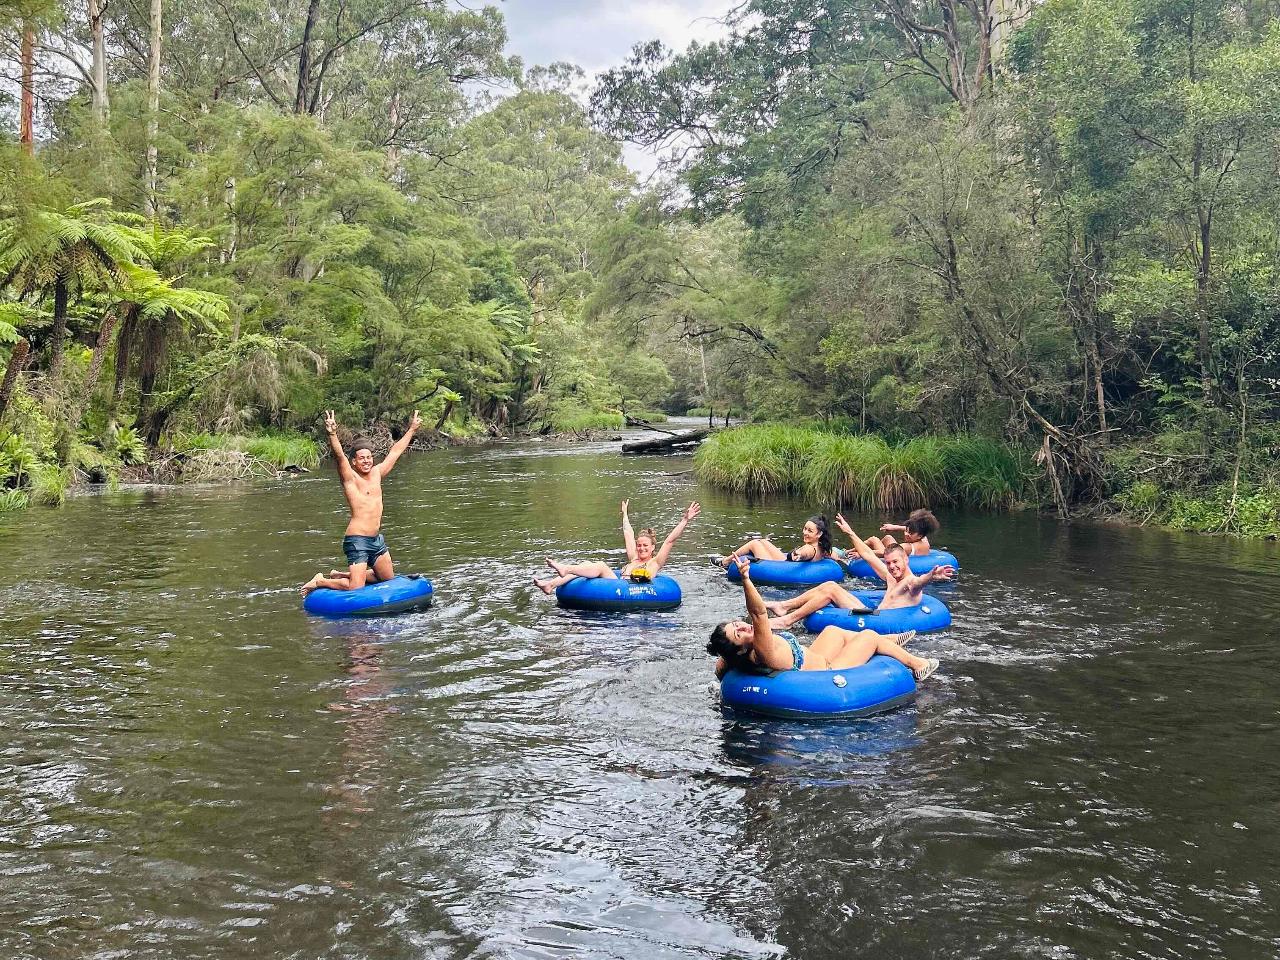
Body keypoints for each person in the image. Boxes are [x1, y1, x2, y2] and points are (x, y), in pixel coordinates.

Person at [707, 556, 938, 681]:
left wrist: (722, 685)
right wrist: (746, 579)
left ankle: (888, 639)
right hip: (827, 671)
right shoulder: (761, 648)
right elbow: (758, 613)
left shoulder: (731, 658)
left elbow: (720, 669)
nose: (742, 626)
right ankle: (918, 665)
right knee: (868, 636)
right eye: (738, 633)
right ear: (739, 650)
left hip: (816, 657)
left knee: (832, 630)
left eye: (736, 624)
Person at [301, 409, 421, 596]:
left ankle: (340, 574)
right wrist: (332, 434)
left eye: (369, 457)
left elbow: (395, 451)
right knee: (356, 588)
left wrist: (412, 429)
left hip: (376, 540)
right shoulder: (350, 479)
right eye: (361, 458)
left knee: (387, 578)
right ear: (354, 462)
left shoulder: (377, 474)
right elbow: (340, 456)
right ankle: (320, 581)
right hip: (357, 540)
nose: (366, 461)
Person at [534, 500, 701, 595]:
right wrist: (625, 514)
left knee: (600, 566)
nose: (641, 548)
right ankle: (551, 585)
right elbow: (628, 533)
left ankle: (565, 568)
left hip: (632, 590)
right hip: (618, 584)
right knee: (586, 564)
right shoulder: (633, 557)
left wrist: (685, 520)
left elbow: (670, 541)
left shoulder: (655, 562)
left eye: (645, 546)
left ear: (652, 548)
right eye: (639, 545)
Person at [717, 515, 833, 568]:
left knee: (754, 543)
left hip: (781, 567)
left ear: (819, 534)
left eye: (810, 531)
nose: (805, 532)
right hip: (784, 562)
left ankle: (725, 562)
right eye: (805, 529)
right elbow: (834, 554)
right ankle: (725, 561)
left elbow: (806, 553)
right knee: (763, 541)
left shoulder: (810, 548)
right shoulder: (821, 547)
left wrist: (799, 554)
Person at [866, 508, 939, 557]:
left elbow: (885, 552)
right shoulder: (924, 539)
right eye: (906, 530)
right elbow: (910, 529)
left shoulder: (907, 547)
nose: (906, 534)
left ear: (920, 535)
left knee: (873, 539)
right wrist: (894, 527)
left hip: (891, 554)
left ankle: (856, 550)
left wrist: (863, 553)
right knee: (888, 538)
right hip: (904, 554)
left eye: (910, 533)